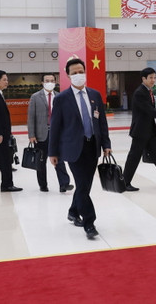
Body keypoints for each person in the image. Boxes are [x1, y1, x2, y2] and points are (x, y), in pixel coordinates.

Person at [48, 58, 111, 240]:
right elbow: (55, 127)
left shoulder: (95, 95)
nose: (78, 75)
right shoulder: (61, 99)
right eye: (74, 73)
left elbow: (102, 122)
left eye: (81, 71)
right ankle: (89, 223)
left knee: (85, 185)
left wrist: (106, 144)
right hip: (73, 148)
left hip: (92, 147)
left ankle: (73, 211)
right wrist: (53, 152)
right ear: (68, 76)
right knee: (82, 185)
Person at [27, 73, 73, 193]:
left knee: (60, 159)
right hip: (41, 134)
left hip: (57, 134)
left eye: (52, 80)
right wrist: (31, 134)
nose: (50, 83)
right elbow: (31, 117)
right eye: (47, 80)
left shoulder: (60, 96)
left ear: (55, 82)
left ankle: (64, 184)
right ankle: (43, 185)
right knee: (41, 161)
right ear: (42, 82)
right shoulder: (35, 97)